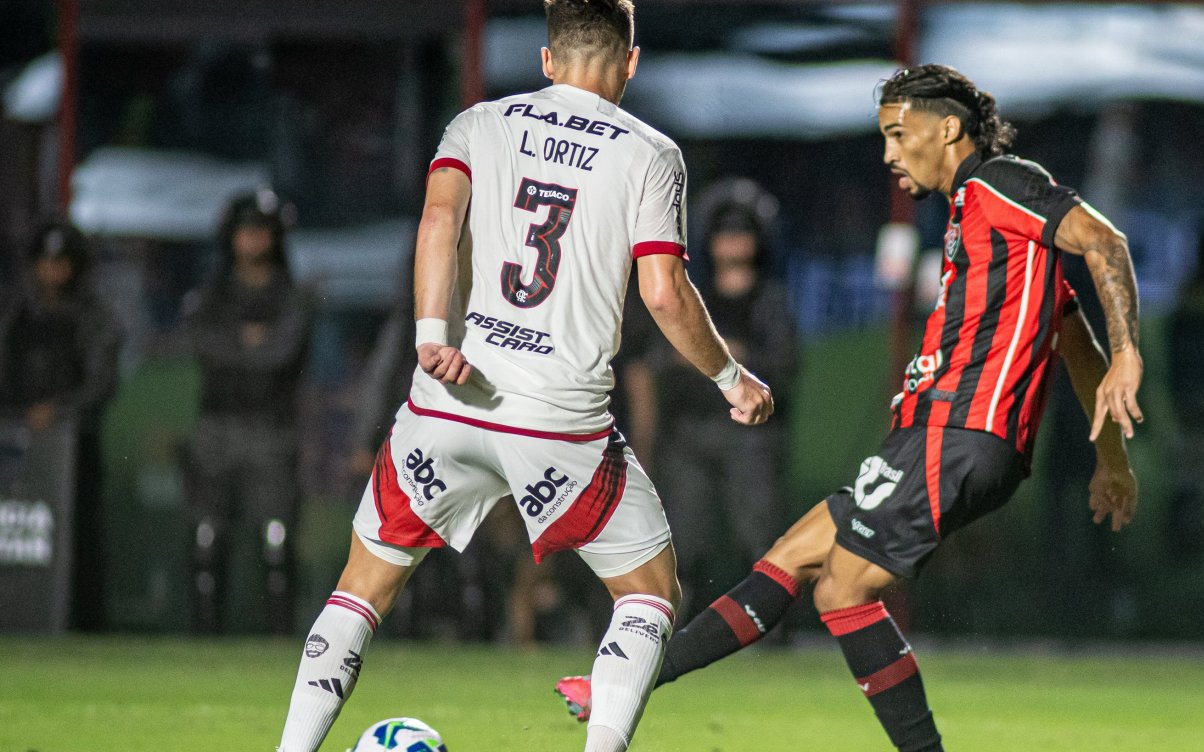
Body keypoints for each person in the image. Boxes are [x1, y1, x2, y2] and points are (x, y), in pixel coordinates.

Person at [555, 64, 1144, 752]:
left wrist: (1131, 352)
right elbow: (1072, 342)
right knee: (791, 556)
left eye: (899, 134)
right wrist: (1113, 461)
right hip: (934, 435)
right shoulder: (983, 230)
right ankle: (624, 689)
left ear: (947, 128)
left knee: (842, 592)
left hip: (959, 431)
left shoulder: (999, 184)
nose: (889, 154)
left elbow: (1105, 241)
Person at [275, 0, 774, 750]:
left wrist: (430, 336)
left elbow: (438, 223)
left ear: (546, 60)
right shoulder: (650, 152)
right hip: (556, 420)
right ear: (629, 62)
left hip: (447, 398)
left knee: (362, 586)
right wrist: (732, 377)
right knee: (648, 596)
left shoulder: (478, 124)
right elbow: (664, 293)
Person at [654, 180, 798, 613]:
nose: (732, 243)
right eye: (724, 233)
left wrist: (719, 357)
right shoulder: (694, 296)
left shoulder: (771, 301)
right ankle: (674, 628)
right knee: (682, 538)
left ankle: (769, 630)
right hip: (690, 433)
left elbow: (781, 369)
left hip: (751, 437)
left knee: (760, 537)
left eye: (742, 233)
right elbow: (662, 361)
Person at [184, 190, 313, 635]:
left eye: (263, 231)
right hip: (216, 427)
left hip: (272, 431)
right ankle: (206, 640)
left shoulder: (292, 296)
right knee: (207, 536)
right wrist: (249, 343)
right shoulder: (211, 295)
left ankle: (279, 642)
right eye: (246, 231)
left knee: (276, 539)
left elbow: (281, 354)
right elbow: (205, 349)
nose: (254, 241)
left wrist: (239, 345)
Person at [0, 221, 122, 631]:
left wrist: (58, 413)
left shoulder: (94, 315)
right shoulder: (14, 312)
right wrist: (17, 415)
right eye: (47, 262)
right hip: (11, 447)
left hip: (72, 450)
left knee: (78, 543)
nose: (55, 271)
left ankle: (82, 627)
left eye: (63, 262)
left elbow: (102, 381)